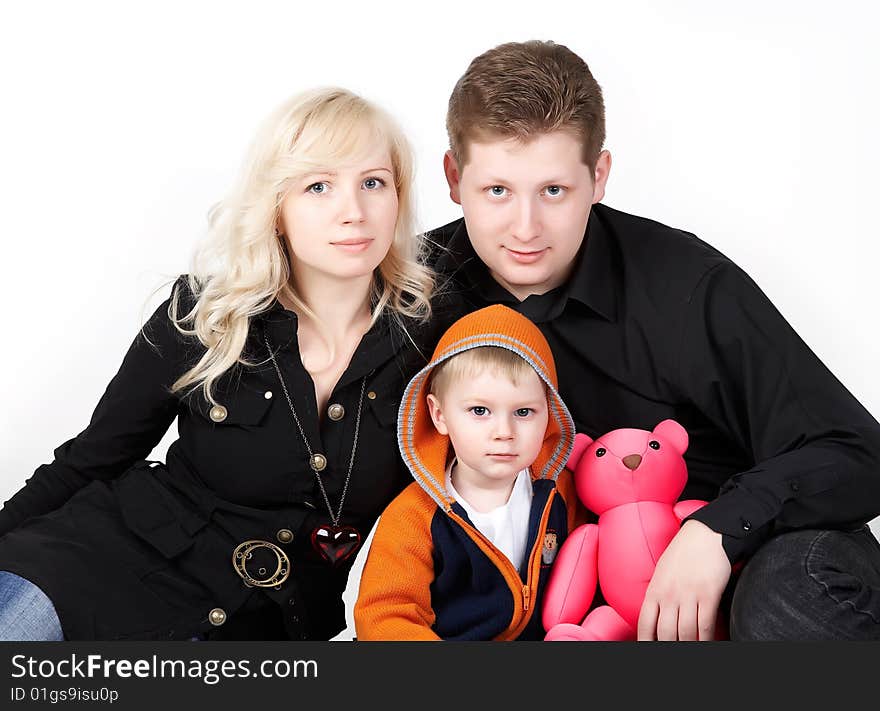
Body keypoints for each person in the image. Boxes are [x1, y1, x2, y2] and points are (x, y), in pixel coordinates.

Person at [428, 40, 880, 640]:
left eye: (554, 191)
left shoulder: (684, 285)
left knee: (786, 595)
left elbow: (857, 450)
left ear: (600, 176)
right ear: (455, 179)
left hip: (745, 562)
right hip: (577, 603)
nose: (526, 227)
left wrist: (718, 529)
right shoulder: (414, 290)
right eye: (497, 191)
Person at [0, 87, 443, 641]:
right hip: (87, 569)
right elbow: (90, 461)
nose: (352, 211)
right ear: (277, 209)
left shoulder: (433, 339)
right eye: (318, 186)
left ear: (399, 197)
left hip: (254, 632)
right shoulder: (204, 315)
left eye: (373, 182)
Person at [353, 304, 580, 640]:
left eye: (523, 412)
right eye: (479, 410)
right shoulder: (415, 516)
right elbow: (385, 615)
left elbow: (590, 568)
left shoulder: (558, 490)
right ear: (439, 415)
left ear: (550, 413)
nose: (504, 431)